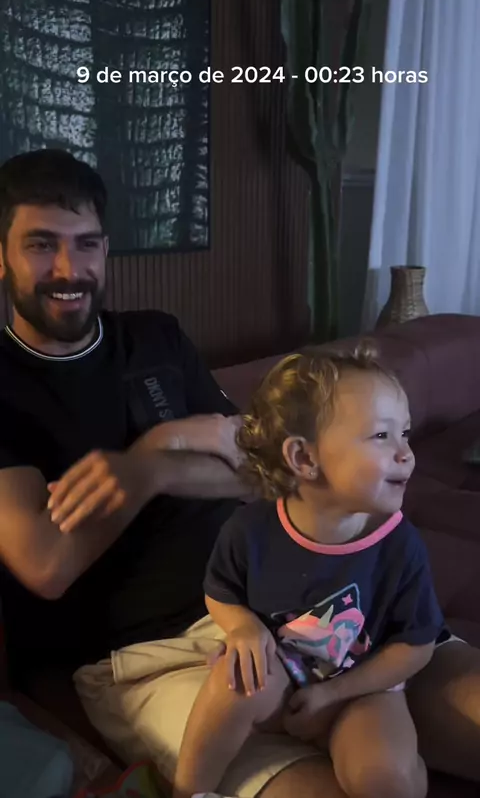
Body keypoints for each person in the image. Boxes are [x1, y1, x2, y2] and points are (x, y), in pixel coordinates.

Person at [0, 148, 479, 798]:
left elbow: (270, 472)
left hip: (310, 592)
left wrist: (153, 462)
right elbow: (46, 564)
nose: (68, 269)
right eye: (40, 245)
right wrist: (155, 463)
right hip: (154, 653)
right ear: (2, 255)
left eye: (86, 244)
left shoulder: (156, 340)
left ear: (106, 249)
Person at [172, 347, 444, 798]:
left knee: (385, 778)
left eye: (406, 433)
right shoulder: (248, 530)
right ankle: (187, 792)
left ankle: (411, 760)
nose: (407, 453)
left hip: (361, 690)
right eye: (382, 435)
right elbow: (221, 591)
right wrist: (241, 627)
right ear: (304, 458)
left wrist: (333, 694)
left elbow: (415, 647)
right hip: (280, 673)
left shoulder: (399, 544)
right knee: (230, 681)